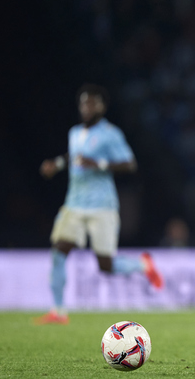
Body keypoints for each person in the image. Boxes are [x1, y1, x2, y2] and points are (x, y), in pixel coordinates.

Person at [34, 84, 163, 325]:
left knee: (106, 265)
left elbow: (129, 164)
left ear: (102, 107)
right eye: (84, 103)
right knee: (59, 250)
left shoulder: (110, 134)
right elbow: (73, 157)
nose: (87, 107)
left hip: (102, 206)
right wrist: (57, 165)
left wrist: (99, 164)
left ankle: (143, 265)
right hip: (74, 203)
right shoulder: (74, 133)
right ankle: (58, 311)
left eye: (92, 103)